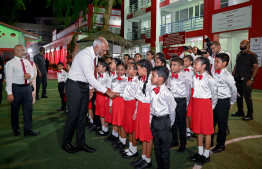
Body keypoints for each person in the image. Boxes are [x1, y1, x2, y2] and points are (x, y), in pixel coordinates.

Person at [62, 37, 117, 154]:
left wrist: (90, 88)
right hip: (74, 86)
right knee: (73, 116)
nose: (105, 53)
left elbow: (92, 73)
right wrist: (107, 91)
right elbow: (91, 77)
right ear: (97, 47)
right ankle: (66, 143)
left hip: (84, 86)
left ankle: (81, 143)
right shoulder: (85, 56)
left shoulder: (95, 55)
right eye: (104, 50)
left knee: (82, 116)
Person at [6, 45, 40, 136]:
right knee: (15, 110)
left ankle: (28, 130)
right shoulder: (10, 63)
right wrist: (9, 93)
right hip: (16, 89)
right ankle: (15, 129)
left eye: (25, 50)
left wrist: (30, 76)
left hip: (27, 88)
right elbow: (9, 79)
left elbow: (32, 72)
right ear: (16, 52)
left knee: (28, 110)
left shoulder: (27, 62)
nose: (25, 52)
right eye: (22, 50)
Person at [189, 57, 217, 165]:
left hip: (205, 106)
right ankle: (200, 152)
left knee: (207, 131)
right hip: (196, 104)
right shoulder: (194, 77)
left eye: (196, 64)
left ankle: (206, 154)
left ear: (204, 66)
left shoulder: (210, 79)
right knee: (198, 130)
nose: (194, 65)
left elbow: (214, 96)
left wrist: (211, 108)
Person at [150, 66, 176, 169]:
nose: (151, 78)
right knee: (157, 147)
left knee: (164, 149)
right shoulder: (153, 91)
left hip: (164, 121)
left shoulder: (167, 93)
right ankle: (159, 166)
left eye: (153, 76)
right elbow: (151, 107)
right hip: (155, 121)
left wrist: (170, 123)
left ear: (161, 78)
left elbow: (172, 109)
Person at [211, 53, 237, 153]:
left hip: (223, 101)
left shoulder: (228, 76)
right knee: (212, 122)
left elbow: (234, 90)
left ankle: (221, 145)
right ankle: (210, 141)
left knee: (222, 124)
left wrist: (231, 102)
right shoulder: (214, 71)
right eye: (215, 61)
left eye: (217, 61)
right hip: (214, 100)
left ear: (224, 63)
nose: (215, 63)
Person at [131, 59, 153, 169]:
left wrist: (150, 119)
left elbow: (153, 101)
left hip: (147, 110)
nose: (136, 70)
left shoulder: (151, 81)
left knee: (148, 136)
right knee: (143, 135)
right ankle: (143, 157)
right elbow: (139, 97)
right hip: (141, 108)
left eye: (138, 68)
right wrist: (136, 111)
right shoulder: (142, 79)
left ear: (144, 69)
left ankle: (148, 160)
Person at [232, 39, 258, 121]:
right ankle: (240, 111)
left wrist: (251, 79)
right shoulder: (239, 54)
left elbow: (256, 68)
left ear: (247, 44)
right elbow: (236, 65)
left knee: (247, 97)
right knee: (238, 96)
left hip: (246, 79)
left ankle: (250, 114)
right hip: (238, 79)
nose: (240, 44)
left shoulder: (252, 55)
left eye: (242, 43)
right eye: (240, 43)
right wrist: (233, 75)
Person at [168, 58, 191, 153]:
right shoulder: (169, 76)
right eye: (171, 64)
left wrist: (186, 103)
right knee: (173, 122)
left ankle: (183, 144)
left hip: (181, 101)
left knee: (182, 124)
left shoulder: (185, 78)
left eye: (174, 65)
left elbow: (188, 92)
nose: (172, 67)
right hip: (172, 101)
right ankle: (175, 141)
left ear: (181, 67)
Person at [109, 61, 128, 151]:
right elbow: (111, 93)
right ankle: (120, 140)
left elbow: (127, 94)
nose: (119, 71)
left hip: (122, 103)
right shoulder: (113, 79)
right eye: (118, 69)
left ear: (125, 71)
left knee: (122, 123)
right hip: (115, 102)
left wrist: (117, 94)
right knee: (117, 122)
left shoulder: (127, 80)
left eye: (122, 69)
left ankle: (123, 142)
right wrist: (110, 105)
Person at [121, 62, 139, 158]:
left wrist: (136, 110)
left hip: (132, 105)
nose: (128, 70)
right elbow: (125, 94)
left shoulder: (137, 82)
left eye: (130, 68)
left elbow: (137, 97)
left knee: (133, 128)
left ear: (136, 71)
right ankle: (131, 147)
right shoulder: (129, 80)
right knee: (128, 127)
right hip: (127, 104)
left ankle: (134, 149)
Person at [104, 58, 121, 143]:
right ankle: (114, 134)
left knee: (117, 118)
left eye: (112, 63)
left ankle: (116, 135)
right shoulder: (111, 75)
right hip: (111, 97)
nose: (110, 65)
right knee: (113, 117)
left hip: (116, 98)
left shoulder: (117, 77)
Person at [95, 58, 110, 136]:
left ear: (104, 67)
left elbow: (107, 88)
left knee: (104, 113)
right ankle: (103, 128)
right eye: (97, 66)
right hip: (98, 96)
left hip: (104, 96)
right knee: (100, 113)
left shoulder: (107, 76)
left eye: (99, 66)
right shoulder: (99, 75)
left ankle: (106, 129)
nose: (98, 67)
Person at [182, 55, 195, 138]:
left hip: (192, 93)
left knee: (191, 112)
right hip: (184, 92)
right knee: (186, 112)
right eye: (183, 61)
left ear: (191, 62)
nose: (184, 62)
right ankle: (187, 130)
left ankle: (192, 129)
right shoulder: (182, 71)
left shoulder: (194, 71)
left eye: (186, 61)